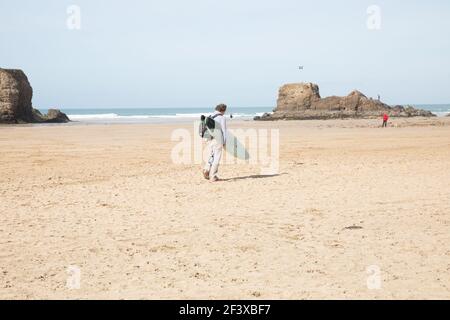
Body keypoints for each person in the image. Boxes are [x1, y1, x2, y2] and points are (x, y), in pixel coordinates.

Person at [203, 104, 227, 182]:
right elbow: (224, 130)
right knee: (217, 157)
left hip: (210, 139)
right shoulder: (222, 117)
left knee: (211, 155)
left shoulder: (210, 116)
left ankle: (206, 169)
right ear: (223, 110)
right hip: (218, 139)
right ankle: (213, 176)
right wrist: (224, 141)